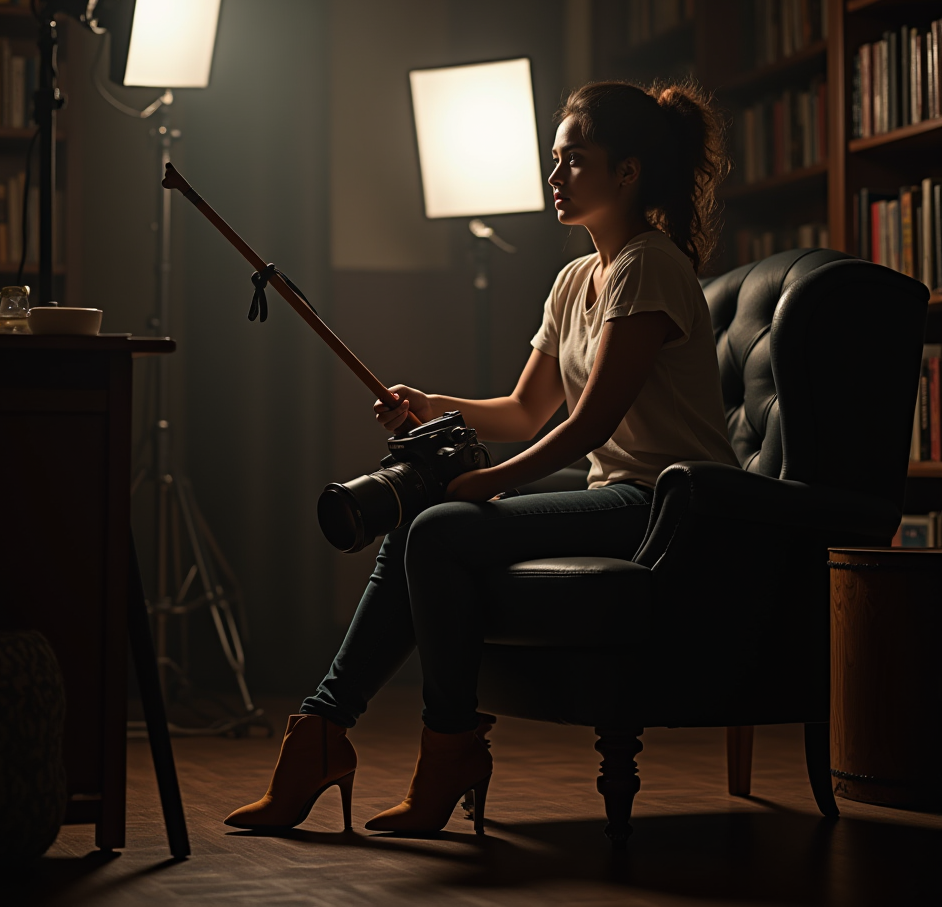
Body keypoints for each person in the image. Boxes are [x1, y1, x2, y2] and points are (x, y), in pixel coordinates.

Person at [223, 79, 738, 835]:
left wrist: (487, 482)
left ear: (626, 173)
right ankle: (326, 730)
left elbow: (590, 425)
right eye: (554, 160)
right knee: (419, 515)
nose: (555, 177)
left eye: (574, 161)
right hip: (616, 494)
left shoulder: (649, 265)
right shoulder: (573, 281)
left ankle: (443, 746)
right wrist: (431, 403)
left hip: (668, 506)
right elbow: (526, 410)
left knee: (440, 521)